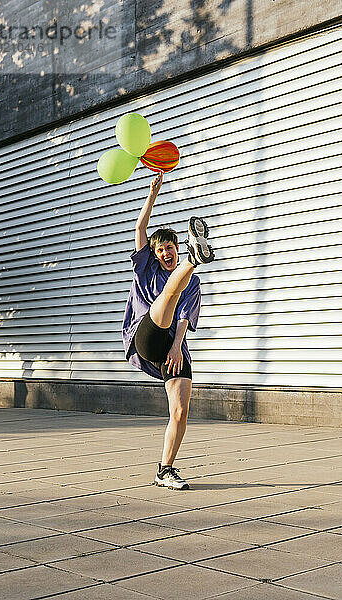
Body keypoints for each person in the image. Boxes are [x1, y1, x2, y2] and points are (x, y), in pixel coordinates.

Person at [122, 172, 215, 490]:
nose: (165, 252)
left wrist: (177, 348)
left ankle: (165, 470)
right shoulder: (145, 268)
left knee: (180, 410)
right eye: (160, 249)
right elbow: (139, 228)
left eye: (171, 247)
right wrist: (153, 192)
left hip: (173, 346)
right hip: (145, 336)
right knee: (163, 303)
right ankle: (196, 258)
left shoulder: (192, 286)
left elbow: (185, 319)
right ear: (154, 253)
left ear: (176, 248)